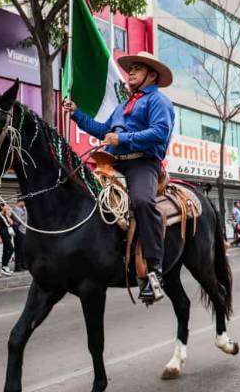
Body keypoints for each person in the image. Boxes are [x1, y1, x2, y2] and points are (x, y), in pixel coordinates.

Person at [64, 51, 174, 304]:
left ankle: (155, 268)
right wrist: (77, 114)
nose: (130, 73)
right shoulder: (122, 106)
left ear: (152, 75)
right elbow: (103, 131)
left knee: (143, 202)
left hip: (142, 164)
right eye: (130, 69)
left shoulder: (158, 101)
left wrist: (122, 138)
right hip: (112, 164)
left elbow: (159, 132)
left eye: (137, 69)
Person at [0, 203, 16, 276]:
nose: (7, 207)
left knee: (5, 251)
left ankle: (3, 268)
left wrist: (7, 214)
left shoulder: (6, 215)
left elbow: (12, 223)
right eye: (5, 206)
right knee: (11, 249)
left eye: (7, 205)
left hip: (8, 234)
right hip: (3, 234)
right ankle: (5, 266)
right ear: (1, 207)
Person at [11, 199, 28, 272]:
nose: (25, 204)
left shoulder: (23, 208)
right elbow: (18, 220)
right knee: (19, 248)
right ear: (20, 201)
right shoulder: (15, 209)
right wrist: (25, 215)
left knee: (24, 248)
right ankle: (17, 266)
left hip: (24, 230)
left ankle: (24, 264)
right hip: (18, 230)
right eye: (25, 202)